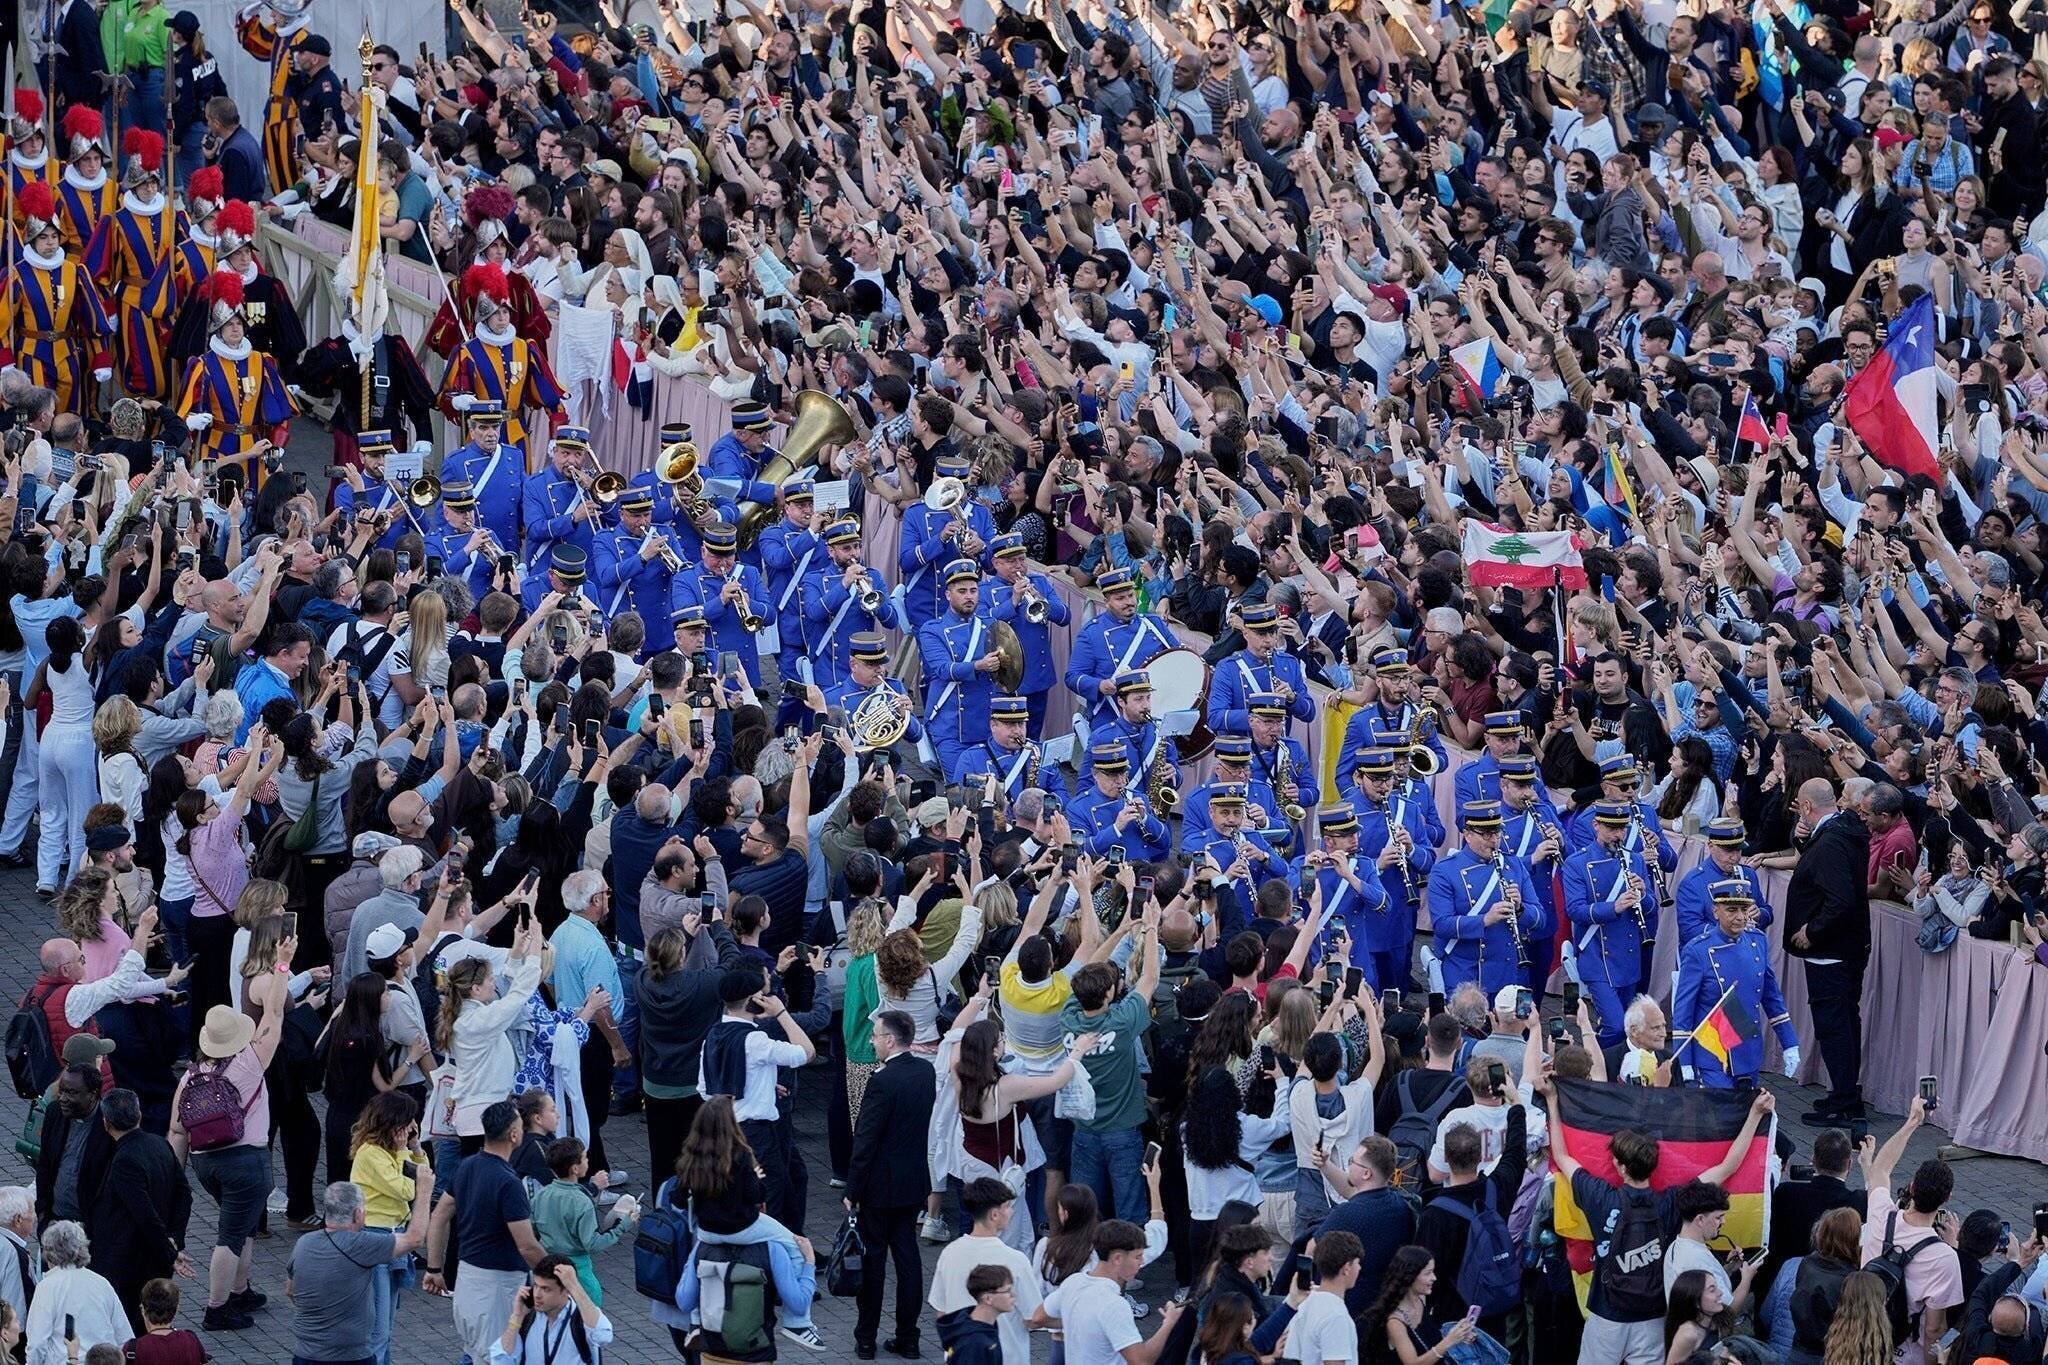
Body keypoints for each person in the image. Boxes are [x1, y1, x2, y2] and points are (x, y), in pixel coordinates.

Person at [1547, 1085, 1775, 1365]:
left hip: (1607, 1315)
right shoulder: (1671, 1202)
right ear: (1654, 1166)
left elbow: (1561, 1156)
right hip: (1653, 1318)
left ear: (1620, 1166)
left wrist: (1552, 1098)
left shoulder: (1599, 1197)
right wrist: (1754, 1114)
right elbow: (1727, 1167)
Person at [167, 1003, 281, 1332]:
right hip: (246, 1162)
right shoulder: (251, 1062)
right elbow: (274, 1016)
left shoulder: (192, 1074)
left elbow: (177, 1127)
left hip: (206, 1163)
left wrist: (176, 1175)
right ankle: (216, 1310)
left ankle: (240, 1292)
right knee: (230, 1236)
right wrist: (283, 967)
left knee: (243, 1227)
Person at [423, 1101, 545, 1365]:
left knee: (475, 1353)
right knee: (497, 1357)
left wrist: (435, 1267)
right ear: (514, 1135)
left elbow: (440, 1214)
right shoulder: (509, 1183)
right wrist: (557, 1274)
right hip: (498, 1290)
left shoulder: (467, 1166)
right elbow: (527, 1246)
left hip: (468, 1280)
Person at [845, 1009, 936, 1360]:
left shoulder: (881, 1081)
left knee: (874, 1261)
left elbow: (865, 1140)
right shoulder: (925, 1072)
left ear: (890, 1040)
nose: (872, 1041)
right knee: (908, 1259)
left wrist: (852, 1189)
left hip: (879, 1186)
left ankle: (866, 1337)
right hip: (913, 1180)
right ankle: (908, 1337)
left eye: (875, 1036)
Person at [1784, 778, 1873, 1120]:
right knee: (1846, 1022)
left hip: (1830, 951)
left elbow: (1840, 899)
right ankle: (1845, 1093)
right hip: (1847, 946)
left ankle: (1844, 1104)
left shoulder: (1832, 842)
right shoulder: (1843, 830)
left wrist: (1812, 931)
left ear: (1806, 807)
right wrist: (1803, 841)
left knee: (1835, 1028)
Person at [1856, 1097, 1963, 1365]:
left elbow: (1880, 1168)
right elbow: (1933, 1329)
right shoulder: (1945, 1257)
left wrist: (1913, 1121)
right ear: (1946, 1198)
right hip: (1904, 1355)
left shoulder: (1881, 1214)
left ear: (1911, 1187)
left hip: (1861, 1339)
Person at [285, 1179, 433, 1365]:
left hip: (305, 1354)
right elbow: (414, 1239)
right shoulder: (361, 1244)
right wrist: (425, 1192)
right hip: (350, 1356)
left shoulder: (304, 1243)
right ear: (358, 1215)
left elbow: (291, 1290)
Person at [81, 1089, 188, 1333]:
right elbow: (184, 1195)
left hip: (130, 1260)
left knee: (130, 1325)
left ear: (106, 1123)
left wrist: (169, 1250)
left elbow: (144, 1213)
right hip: (154, 1256)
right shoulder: (160, 1144)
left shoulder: (125, 1160)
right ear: (139, 1115)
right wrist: (175, 1237)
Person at [1029, 1220, 1185, 1365]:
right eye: (1137, 1256)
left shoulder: (1073, 1282)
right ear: (1117, 1258)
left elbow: (1038, 1317)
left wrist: (1078, 1322)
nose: (1142, 1262)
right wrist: (1168, 1324)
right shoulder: (1115, 1305)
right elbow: (1140, 1360)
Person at [927, 1178, 1043, 1365]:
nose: (1011, 1211)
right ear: (994, 1215)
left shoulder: (949, 1253)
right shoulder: (1016, 1260)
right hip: (1007, 1357)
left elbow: (941, 1312)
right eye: (1007, 1206)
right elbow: (1034, 1317)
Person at [21, 1222, 125, 1365]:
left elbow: (37, 1343)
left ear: (49, 1252)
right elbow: (123, 1335)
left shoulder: (47, 1287)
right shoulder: (101, 1283)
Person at [489, 1257, 610, 1365]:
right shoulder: (527, 1319)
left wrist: (574, 1286)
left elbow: (602, 1336)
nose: (537, 1294)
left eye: (545, 1289)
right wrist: (517, 1316)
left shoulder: (582, 1318)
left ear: (565, 1290)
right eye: (536, 1285)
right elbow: (501, 1360)